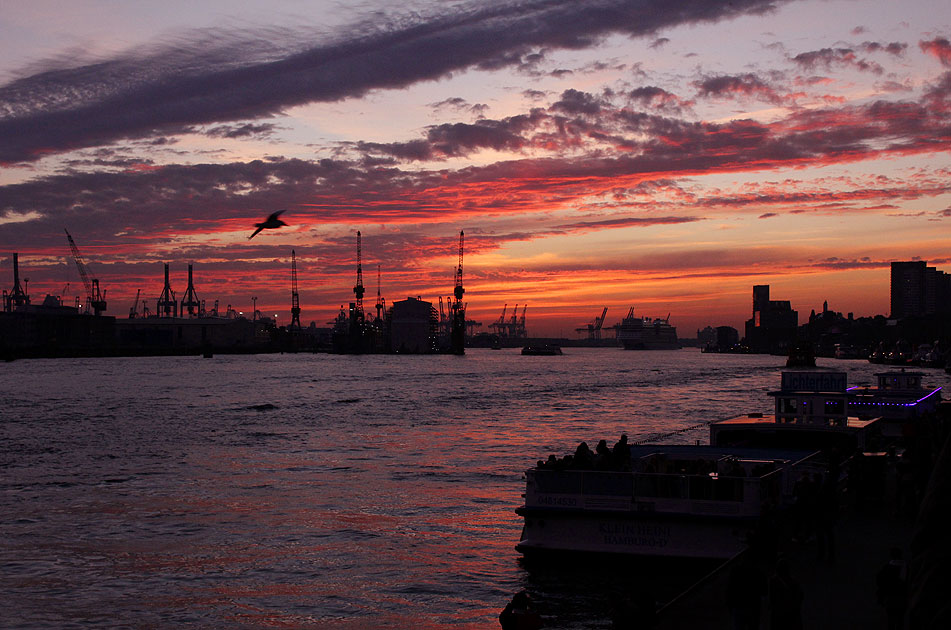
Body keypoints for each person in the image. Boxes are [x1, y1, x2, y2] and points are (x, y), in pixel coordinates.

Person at [768, 557, 803, 630]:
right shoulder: (794, 582)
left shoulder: (773, 581)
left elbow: (771, 598)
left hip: (778, 614)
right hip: (790, 614)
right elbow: (800, 597)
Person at [876, 547, 907, 630]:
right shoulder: (906, 567)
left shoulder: (886, 568)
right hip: (902, 597)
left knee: (891, 621)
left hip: (890, 598)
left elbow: (880, 583)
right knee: (900, 621)